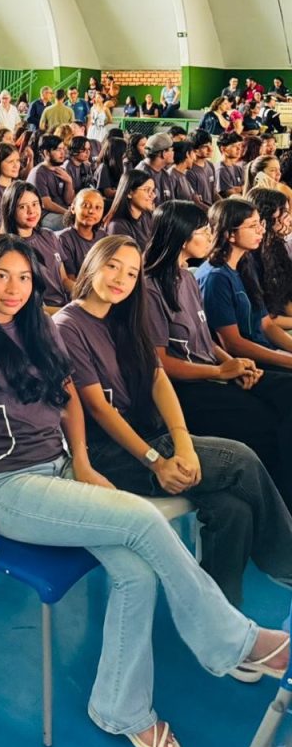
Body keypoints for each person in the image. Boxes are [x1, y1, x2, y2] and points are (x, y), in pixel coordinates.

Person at [0, 234, 290, 747]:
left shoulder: (38, 329)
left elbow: (70, 402)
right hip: (6, 487)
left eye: (25, 278)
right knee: (144, 520)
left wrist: (80, 460)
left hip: (58, 470)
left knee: (136, 572)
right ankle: (235, 642)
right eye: (2, 276)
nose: (14, 289)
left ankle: (119, 709)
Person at [53, 234, 292, 614]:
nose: (120, 279)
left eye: (131, 274)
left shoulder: (125, 317)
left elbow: (158, 379)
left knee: (233, 508)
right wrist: (155, 461)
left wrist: (181, 444)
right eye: (112, 266)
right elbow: (98, 409)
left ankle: (216, 614)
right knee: (241, 459)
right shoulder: (68, 325)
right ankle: (285, 560)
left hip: (153, 436)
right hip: (108, 453)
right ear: (92, 264)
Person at [146, 199, 292, 511]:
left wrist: (232, 364)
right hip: (191, 387)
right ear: (184, 238)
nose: (210, 236)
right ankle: (278, 505)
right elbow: (162, 363)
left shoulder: (186, 276)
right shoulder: (152, 287)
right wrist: (220, 372)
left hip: (216, 371)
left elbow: (207, 339)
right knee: (266, 422)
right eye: (203, 231)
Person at [195, 197, 292, 372]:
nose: (261, 231)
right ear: (230, 234)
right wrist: (287, 360)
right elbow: (233, 344)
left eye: (260, 223)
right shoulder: (216, 278)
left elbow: (266, 325)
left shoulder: (245, 263)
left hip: (266, 351)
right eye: (253, 226)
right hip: (249, 365)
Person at [0, 181, 69, 313]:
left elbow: (64, 279)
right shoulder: (8, 249)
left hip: (63, 306)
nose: (31, 211)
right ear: (10, 210)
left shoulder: (49, 235)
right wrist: (67, 313)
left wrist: (82, 292)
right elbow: (27, 306)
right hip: (39, 313)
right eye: (22, 207)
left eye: (34, 204)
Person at [246, 187, 292, 322]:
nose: (289, 219)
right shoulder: (251, 257)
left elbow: (286, 298)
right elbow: (266, 319)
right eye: (284, 213)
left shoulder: (275, 245)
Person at [56, 188, 107, 288]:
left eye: (98, 207)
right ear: (73, 208)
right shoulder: (64, 239)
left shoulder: (103, 236)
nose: (92, 211)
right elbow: (70, 279)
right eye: (86, 205)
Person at [26, 135, 75, 231]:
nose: (62, 153)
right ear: (46, 153)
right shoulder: (39, 173)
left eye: (63, 149)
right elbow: (46, 204)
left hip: (63, 211)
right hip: (45, 215)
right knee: (74, 225)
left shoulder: (62, 170)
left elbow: (69, 200)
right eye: (58, 149)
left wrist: (69, 181)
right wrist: (69, 213)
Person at [104, 169, 156, 250]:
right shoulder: (117, 226)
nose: (153, 195)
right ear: (130, 193)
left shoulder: (147, 216)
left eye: (152, 190)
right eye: (147, 190)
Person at [136, 132, 174, 204]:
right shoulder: (141, 174)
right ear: (163, 153)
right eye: (171, 150)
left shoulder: (164, 173)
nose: (173, 153)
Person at [186, 130, 217, 210]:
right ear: (194, 150)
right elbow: (195, 202)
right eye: (205, 146)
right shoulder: (189, 171)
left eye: (210, 145)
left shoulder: (210, 165)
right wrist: (213, 214)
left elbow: (214, 193)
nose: (211, 149)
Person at [94, 135, 126, 204]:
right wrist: (127, 191)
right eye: (124, 151)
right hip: (104, 203)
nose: (126, 154)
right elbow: (108, 193)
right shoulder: (103, 167)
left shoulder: (121, 166)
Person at [215, 132, 245, 197]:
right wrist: (241, 188)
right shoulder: (221, 170)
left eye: (240, 145)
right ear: (223, 149)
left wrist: (239, 189)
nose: (239, 149)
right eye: (234, 146)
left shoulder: (238, 168)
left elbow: (247, 187)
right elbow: (230, 194)